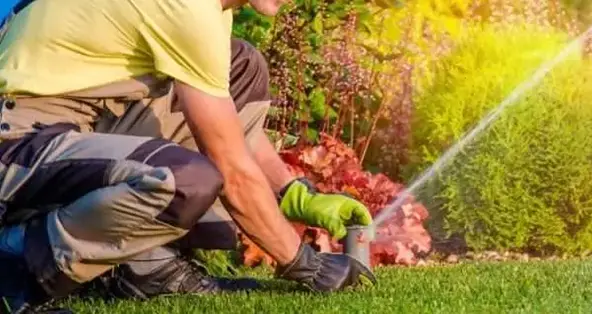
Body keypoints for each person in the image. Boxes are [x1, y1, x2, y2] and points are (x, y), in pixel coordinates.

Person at [0, 0, 376, 313]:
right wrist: (303, 262)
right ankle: (16, 265)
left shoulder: (211, 12)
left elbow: (227, 126)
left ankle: (145, 267)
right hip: (17, 139)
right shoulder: (185, 7)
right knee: (184, 183)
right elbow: (231, 166)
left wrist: (293, 192)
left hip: (78, 123)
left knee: (241, 67)